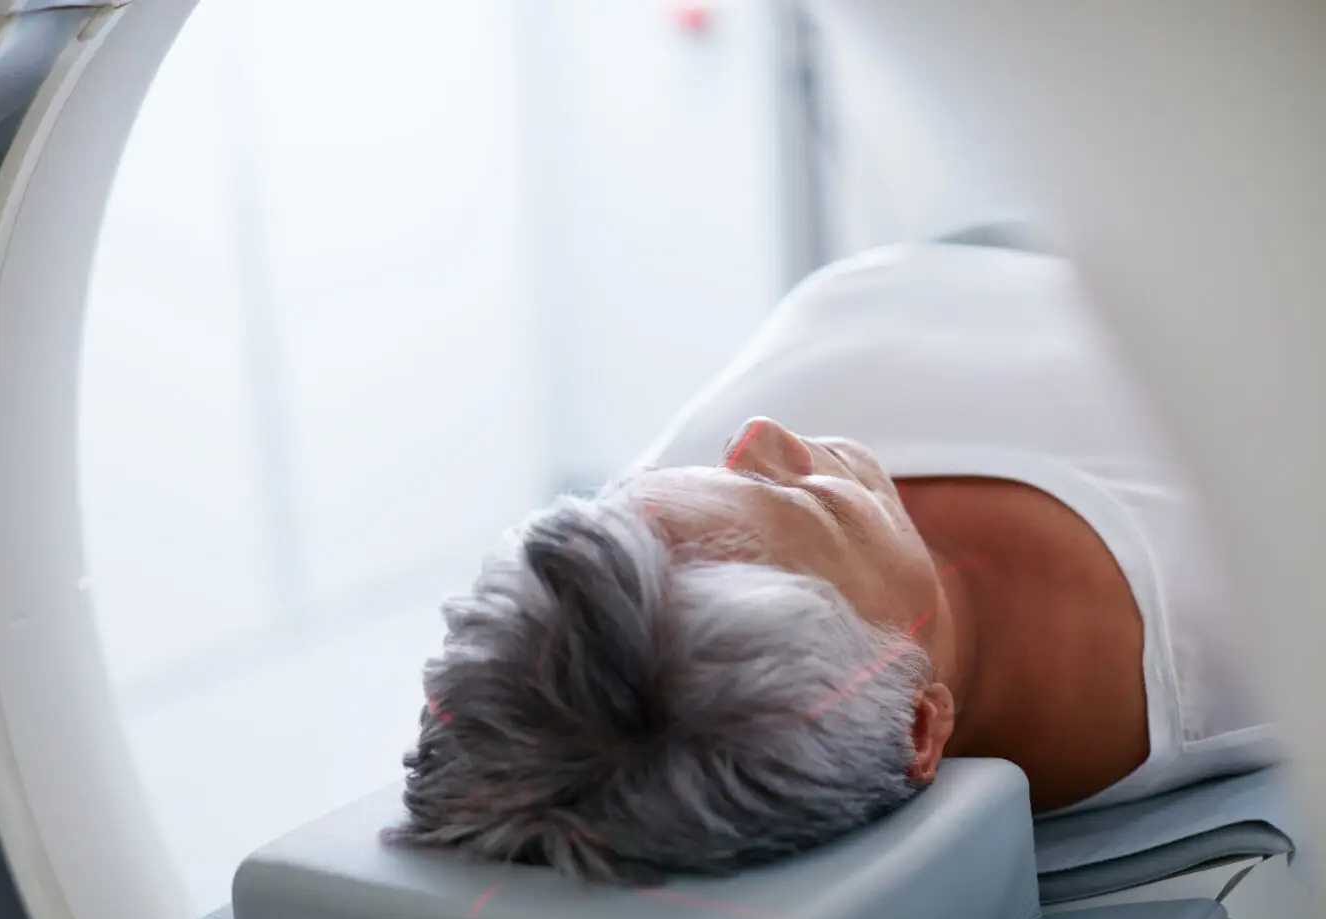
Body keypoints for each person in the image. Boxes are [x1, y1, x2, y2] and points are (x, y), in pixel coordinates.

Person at [387, 242, 1283, 884]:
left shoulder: (664, 584)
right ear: (921, 731)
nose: (761, 437)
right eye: (809, 504)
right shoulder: (1259, 627)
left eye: (653, 488)